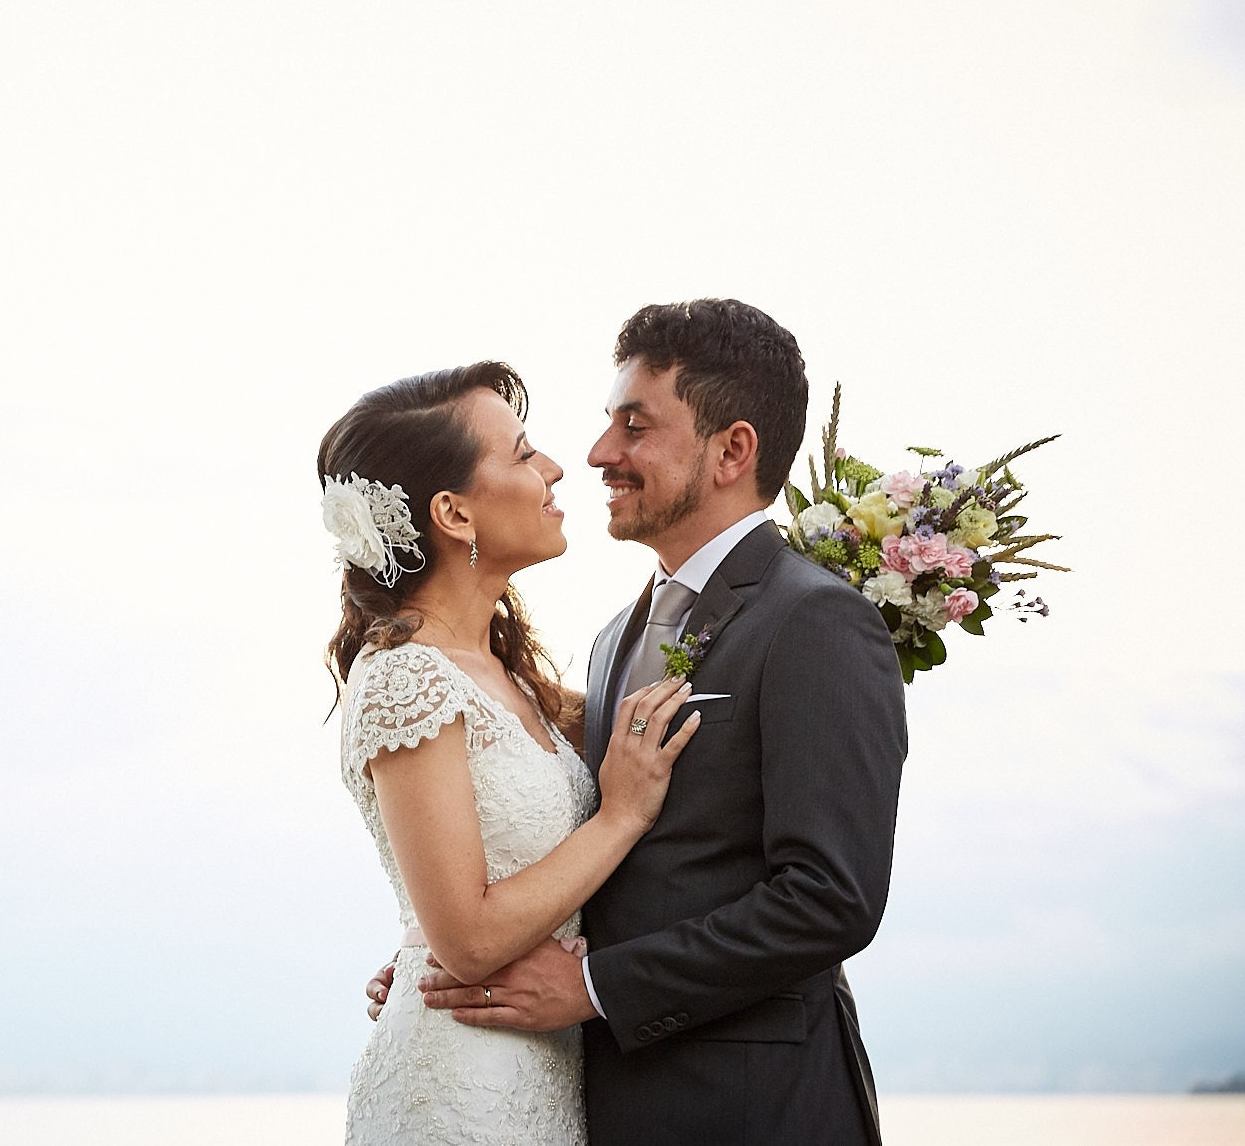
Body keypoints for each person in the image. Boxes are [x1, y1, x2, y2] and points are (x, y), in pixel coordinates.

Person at [372, 300, 909, 1146]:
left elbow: (830, 898)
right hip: (598, 1102)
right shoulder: (608, 640)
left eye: (635, 426)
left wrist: (596, 987)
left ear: (733, 449)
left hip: (756, 1109)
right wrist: (452, 954)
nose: (597, 455)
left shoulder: (817, 621)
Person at [321, 360, 703, 1146]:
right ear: (454, 513)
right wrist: (621, 815)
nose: (557, 467)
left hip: (540, 1073)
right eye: (524, 453)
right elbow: (465, 940)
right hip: (462, 1095)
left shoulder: (506, 675)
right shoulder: (404, 679)